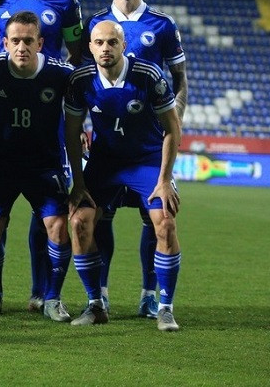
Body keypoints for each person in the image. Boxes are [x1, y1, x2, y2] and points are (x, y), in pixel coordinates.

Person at [0, 0, 84, 312]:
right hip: (2, 117)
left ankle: (44, 293)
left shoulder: (66, 2)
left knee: (49, 217)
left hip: (47, 117)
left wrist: (74, 117)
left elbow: (77, 56)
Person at [81, 0, 187, 319]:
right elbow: (83, 81)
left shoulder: (162, 24)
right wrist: (82, 127)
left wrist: (175, 121)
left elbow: (180, 79)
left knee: (154, 216)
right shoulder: (96, 24)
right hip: (108, 141)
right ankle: (101, 295)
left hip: (149, 141)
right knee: (101, 216)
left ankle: (149, 295)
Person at [65, 20, 182, 331]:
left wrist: (164, 180)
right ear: (90, 47)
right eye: (99, 43)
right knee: (78, 222)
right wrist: (78, 182)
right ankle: (95, 304)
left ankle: (165, 308)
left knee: (165, 223)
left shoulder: (148, 75)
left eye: (112, 42)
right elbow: (72, 132)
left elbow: (173, 129)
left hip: (147, 161)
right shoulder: (80, 80)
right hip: (105, 163)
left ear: (124, 46)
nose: (106, 48)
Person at [0, 11, 79, 322]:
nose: (22, 47)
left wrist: (82, 130)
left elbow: (84, 100)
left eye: (29, 41)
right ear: (4, 43)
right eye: (15, 41)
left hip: (43, 164)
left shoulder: (60, 73)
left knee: (57, 226)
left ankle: (52, 298)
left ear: (40, 43)